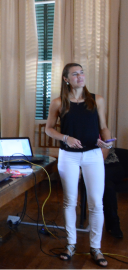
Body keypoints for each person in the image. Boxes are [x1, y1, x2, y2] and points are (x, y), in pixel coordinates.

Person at [45, 63, 113, 267]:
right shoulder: (58, 102)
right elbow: (49, 129)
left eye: (82, 72)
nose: (80, 76)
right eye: (75, 74)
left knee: (96, 202)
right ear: (66, 79)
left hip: (93, 155)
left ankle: (96, 247)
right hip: (68, 156)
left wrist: (105, 150)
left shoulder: (96, 100)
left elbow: (103, 127)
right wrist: (65, 137)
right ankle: (71, 244)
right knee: (69, 201)